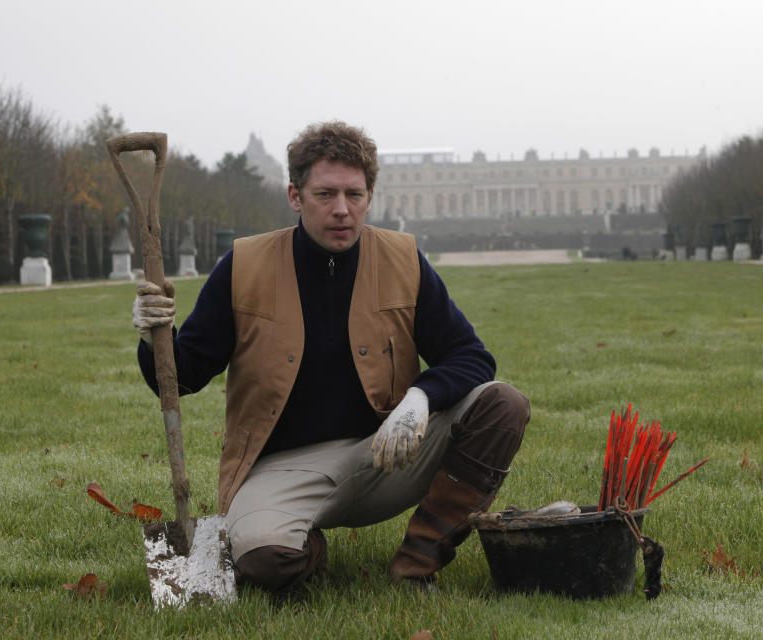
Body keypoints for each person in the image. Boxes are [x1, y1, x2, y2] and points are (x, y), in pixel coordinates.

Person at [131, 121, 530, 595]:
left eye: (354, 195)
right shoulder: (244, 266)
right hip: (281, 468)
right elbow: (180, 377)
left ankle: (420, 559)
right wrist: (153, 333)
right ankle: (302, 545)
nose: (342, 210)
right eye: (325, 195)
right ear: (295, 196)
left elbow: (471, 357)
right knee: (265, 565)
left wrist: (421, 398)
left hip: (387, 451)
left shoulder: (402, 259)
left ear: (370, 195)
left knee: (502, 405)